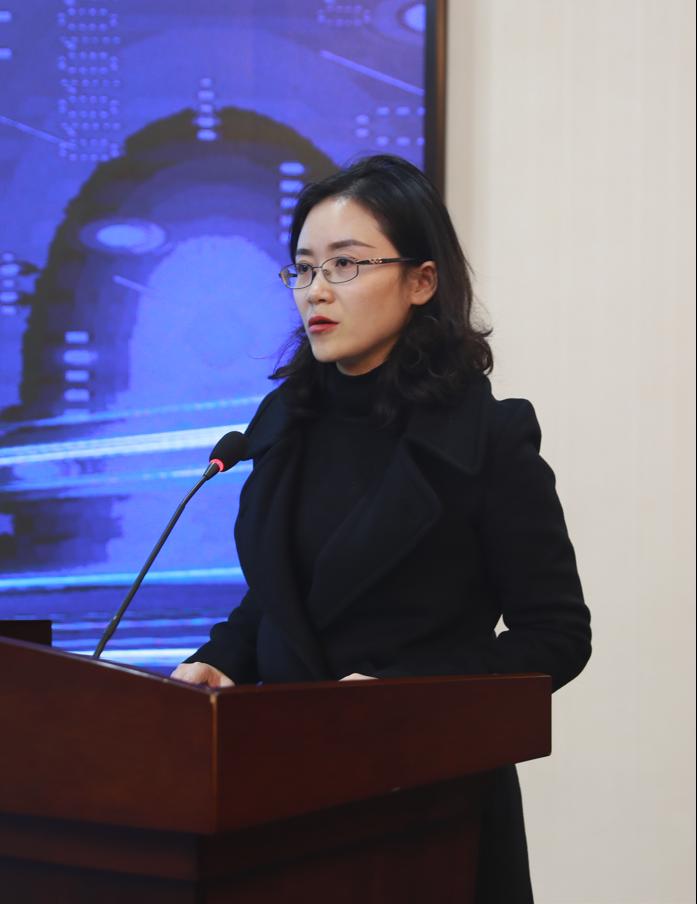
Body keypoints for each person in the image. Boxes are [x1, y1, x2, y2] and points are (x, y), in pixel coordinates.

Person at [171, 154, 592, 902]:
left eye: (346, 264)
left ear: (421, 281)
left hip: (427, 812)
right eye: (303, 268)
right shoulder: (284, 425)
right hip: (280, 802)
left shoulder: (486, 439)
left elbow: (556, 635)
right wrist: (222, 658)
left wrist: (408, 695)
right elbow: (286, 599)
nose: (316, 290)